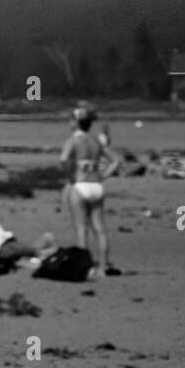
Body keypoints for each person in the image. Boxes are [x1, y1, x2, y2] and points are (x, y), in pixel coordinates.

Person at [59, 103, 122, 276]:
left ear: (76, 122)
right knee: (100, 229)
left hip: (79, 186)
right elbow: (116, 160)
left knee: (81, 229)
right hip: (97, 186)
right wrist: (103, 176)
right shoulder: (95, 141)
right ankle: (102, 267)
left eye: (71, 120)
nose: (69, 123)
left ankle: (84, 267)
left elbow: (64, 159)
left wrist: (70, 176)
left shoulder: (73, 140)